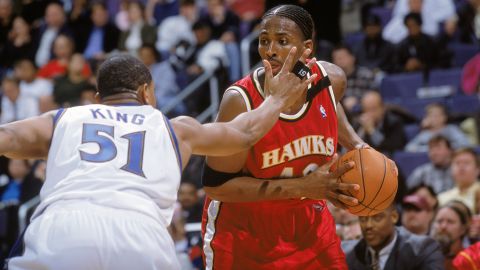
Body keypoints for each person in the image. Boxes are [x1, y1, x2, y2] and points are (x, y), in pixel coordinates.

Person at [4, 53, 325, 269]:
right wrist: (279, 97)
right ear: (146, 93)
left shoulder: (65, 119)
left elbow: (7, 137)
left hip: (63, 228)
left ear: (97, 99)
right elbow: (246, 131)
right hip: (141, 235)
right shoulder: (175, 128)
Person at [201, 5, 371, 269]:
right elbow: (216, 187)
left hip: (311, 225)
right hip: (245, 235)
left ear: (307, 48)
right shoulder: (240, 101)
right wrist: (303, 187)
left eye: (282, 41)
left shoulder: (331, 81)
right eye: (264, 41)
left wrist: (358, 145)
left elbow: (330, 104)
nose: (270, 50)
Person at [343, 204, 444, 270]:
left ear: (394, 217)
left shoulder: (423, 249)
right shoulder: (346, 253)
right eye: (363, 219)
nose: (368, 225)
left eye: (377, 218)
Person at [430, 200, 472, 269]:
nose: (443, 226)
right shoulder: (425, 256)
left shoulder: (470, 259)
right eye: (439, 221)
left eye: (450, 222)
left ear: (463, 229)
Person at [438, 148, 480, 214]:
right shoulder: (441, 198)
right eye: (457, 163)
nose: (461, 166)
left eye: (466, 163)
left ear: (477, 169)